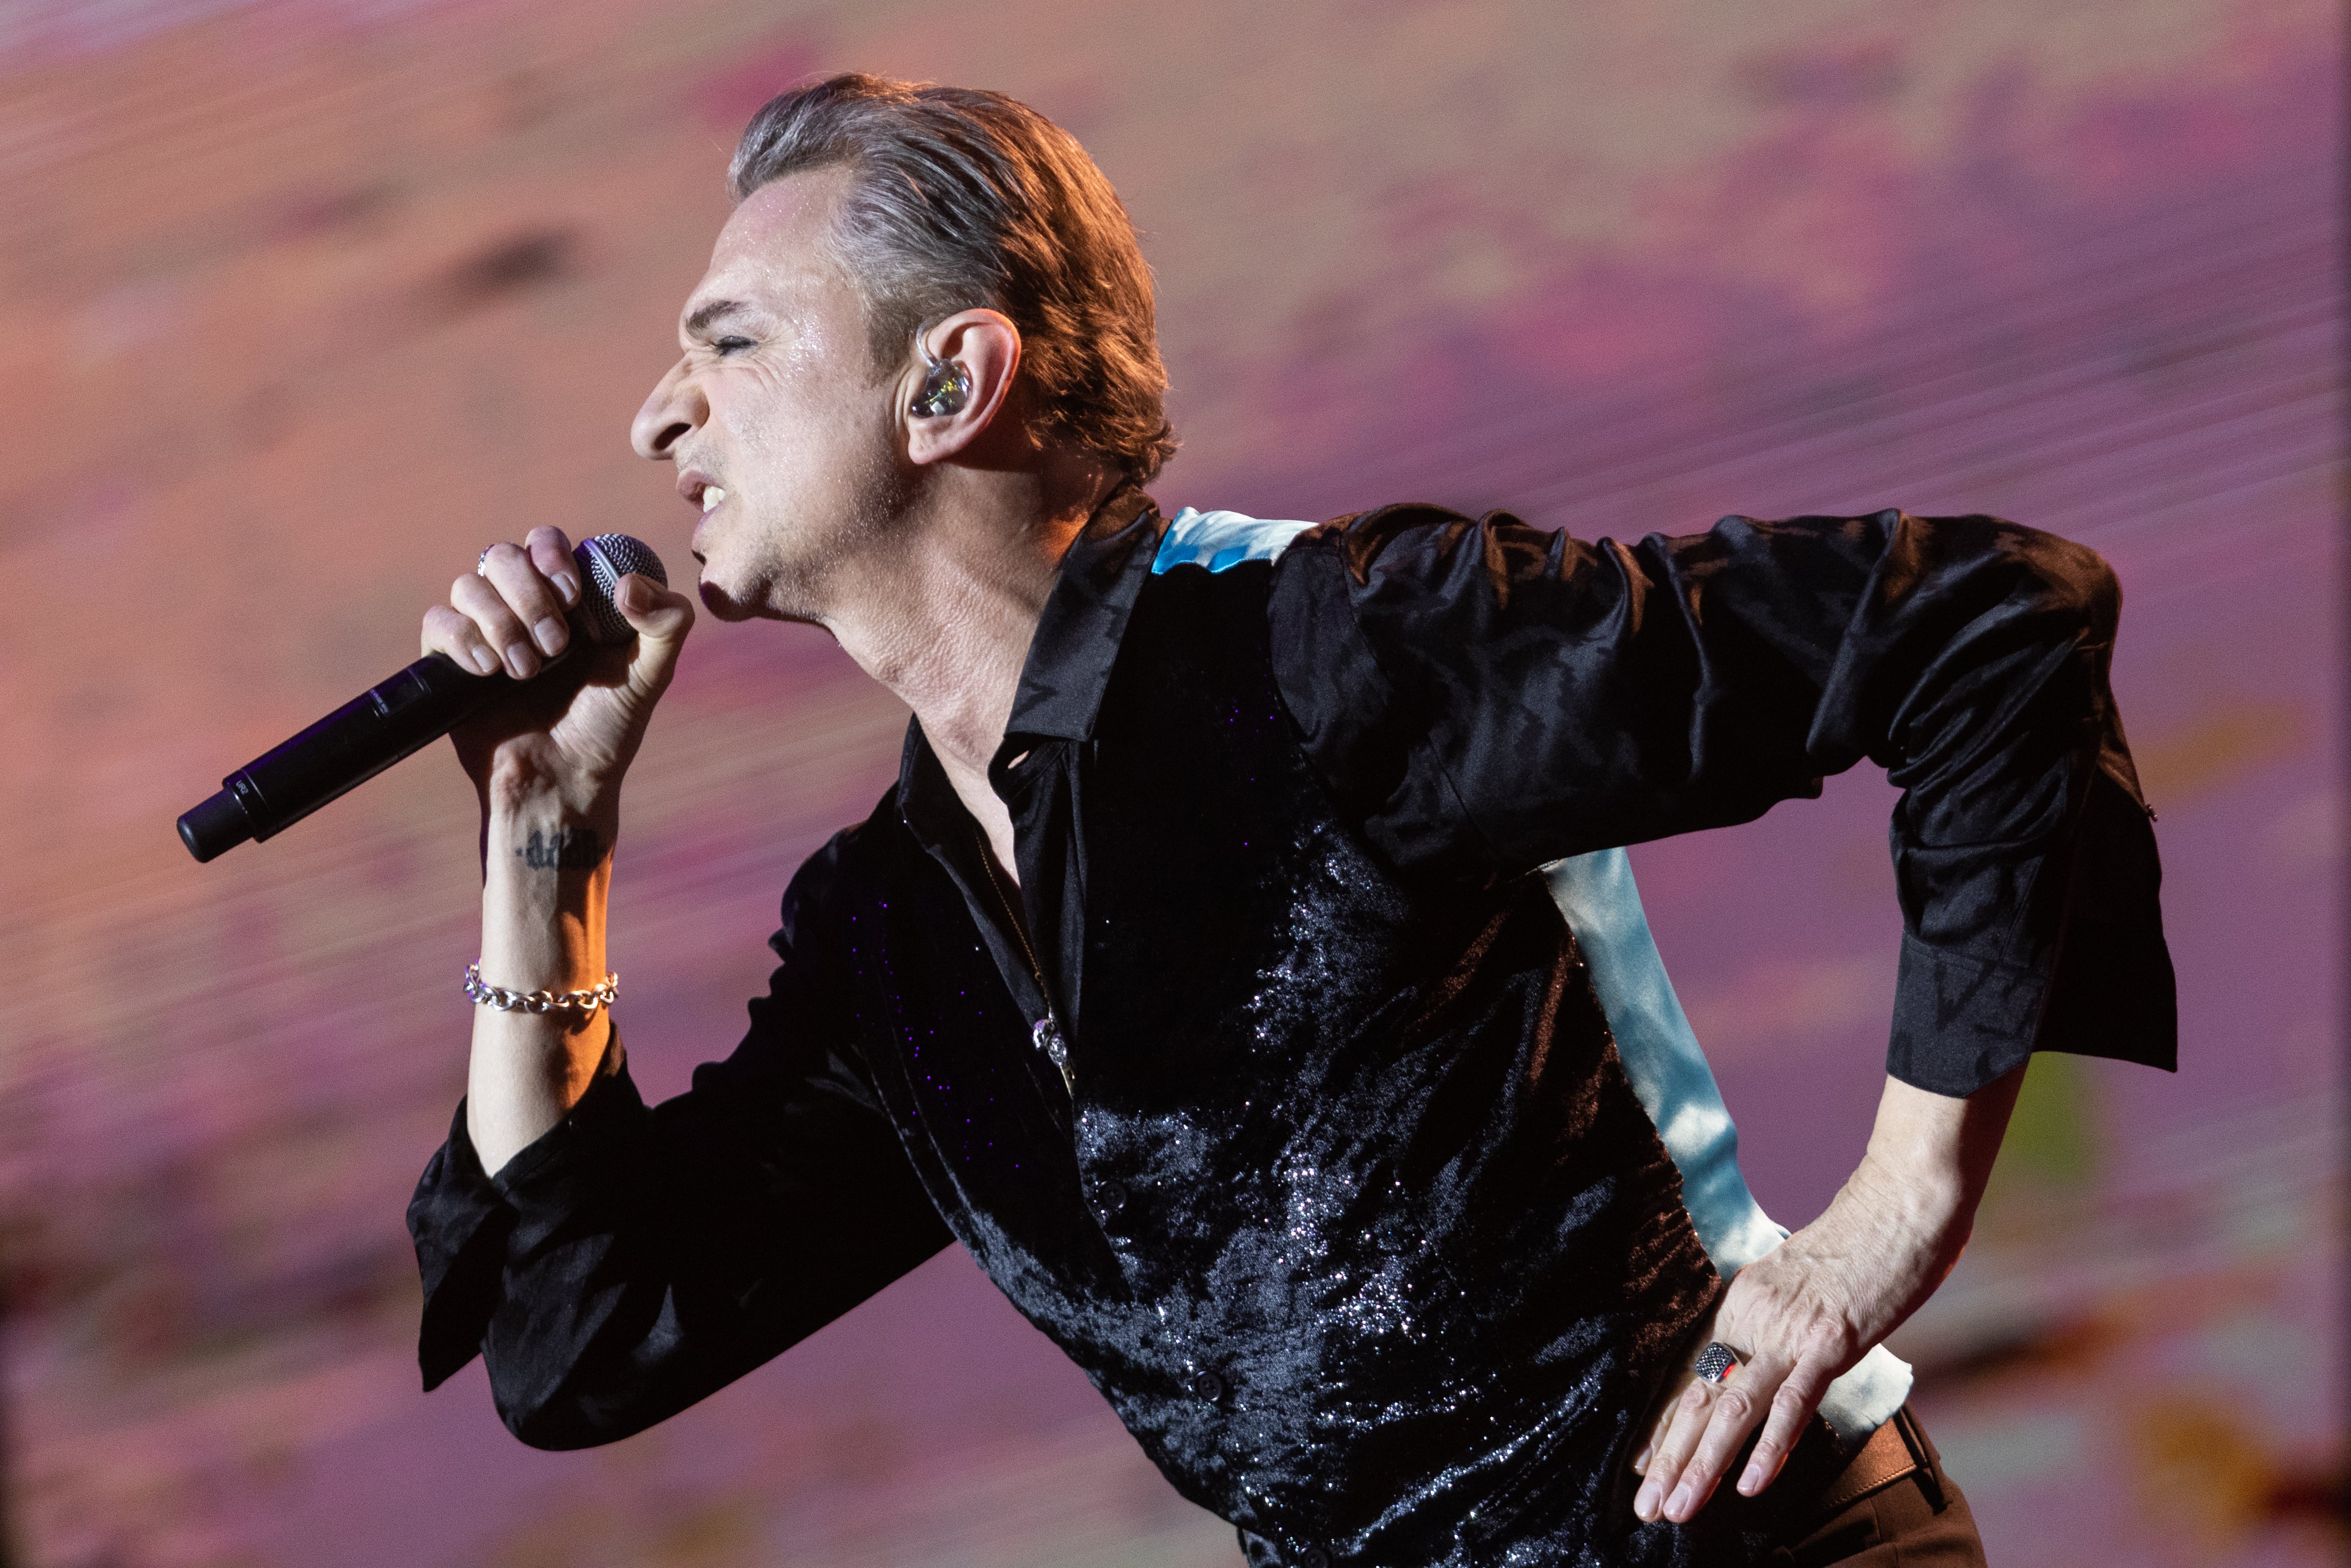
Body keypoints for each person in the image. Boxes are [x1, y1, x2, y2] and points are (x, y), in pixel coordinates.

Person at [405, 74, 2175, 1567]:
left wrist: (1891, 1217)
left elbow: (1984, 630)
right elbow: (585, 1340)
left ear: (951, 383)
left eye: (728, 345)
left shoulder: (1324, 644)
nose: (658, 416)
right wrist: (541, 833)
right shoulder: (896, 925)